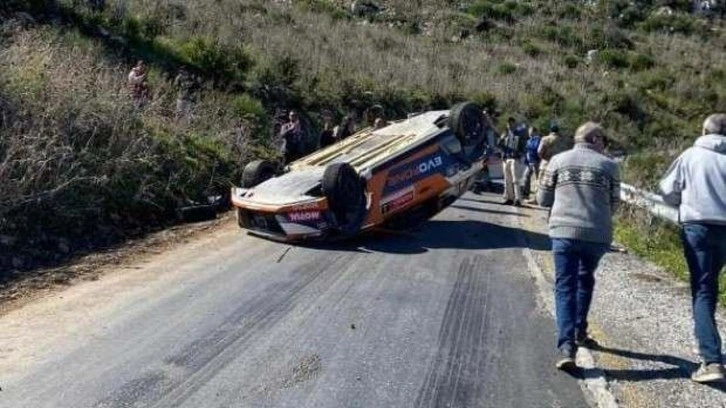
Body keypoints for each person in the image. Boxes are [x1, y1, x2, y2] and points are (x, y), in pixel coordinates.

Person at [537, 122, 620, 371]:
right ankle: (580, 330)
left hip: (563, 231)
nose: (605, 143)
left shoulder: (558, 161)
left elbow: (542, 199)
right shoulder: (610, 166)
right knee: (586, 279)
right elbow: (614, 203)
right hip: (597, 235)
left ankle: (566, 347)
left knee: (565, 286)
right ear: (594, 139)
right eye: (603, 138)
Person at [659, 113, 726, 383]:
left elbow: (667, 189)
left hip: (697, 227)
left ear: (704, 130)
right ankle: (707, 341)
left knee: (702, 289)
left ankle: (711, 360)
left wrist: (682, 201)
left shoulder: (691, 155)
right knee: (710, 287)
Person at [499, 117, 526, 206]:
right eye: (508, 123)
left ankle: (518, 199)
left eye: (511, 123)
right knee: (507, 180)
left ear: (514, 124)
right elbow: (499, 145)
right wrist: (501, 140)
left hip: (514, 158)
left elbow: (523, 145)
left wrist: (520, 155)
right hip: (506, 158)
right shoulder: (505, 134)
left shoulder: (519, 134)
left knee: (515, 180)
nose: (510, 125)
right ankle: (510, 198)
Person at [522, 126, 542, 201]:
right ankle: (526, 193)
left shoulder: (538, 140)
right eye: (529, 131)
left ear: (534, 132)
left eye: (531, 131)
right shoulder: (529, 140)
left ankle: (536, 196)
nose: (529, 133)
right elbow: (526, 150)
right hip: (529, 162)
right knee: (526, 176)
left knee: (536, 179)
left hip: (535, 162)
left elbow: (536, 149)